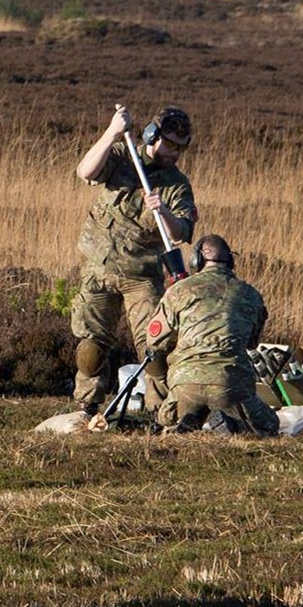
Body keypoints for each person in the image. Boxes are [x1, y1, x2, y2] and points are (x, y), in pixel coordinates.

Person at [72, 104, 198, 417]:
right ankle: (88, 404)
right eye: (169, 144)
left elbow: (182, 232)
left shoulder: (176, 184)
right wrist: (112, 131)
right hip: (98, 269)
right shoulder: (120, 155)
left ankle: (161, 411)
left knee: (155, 347)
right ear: (152, 135)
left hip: (143, 277)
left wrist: (163, 211)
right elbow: (85, 172)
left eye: (180, 148)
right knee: (91, 344)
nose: (174, 153)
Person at [143, 234, 280, 436]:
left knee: (169, 416)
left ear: (196, 259)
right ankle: (230, 422)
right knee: (269, 425)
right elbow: (251, 343)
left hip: (186, 384)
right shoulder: (251, 295)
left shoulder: (179, 291)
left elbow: (154, 342)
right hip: (231, 386)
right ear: (230, 261)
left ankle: (184, 418)